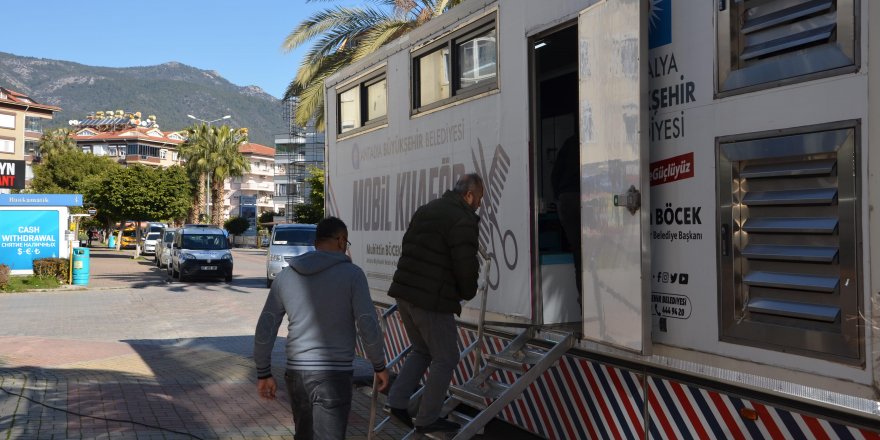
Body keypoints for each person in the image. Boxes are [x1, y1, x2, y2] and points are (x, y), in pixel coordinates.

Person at [253, 216, 389, 440]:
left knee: (303, 435)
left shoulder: (287, 275)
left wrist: (263, 372)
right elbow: (367, 323)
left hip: (297, 374)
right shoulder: (353, 275)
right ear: (342, 240)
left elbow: (266, 326)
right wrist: (379, 365)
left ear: (316, 243)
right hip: (334, 374)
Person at [385, 173, 484, 434]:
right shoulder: (463, 219)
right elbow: (465, 262)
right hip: (431, 300)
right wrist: (468, 290)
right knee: (447, 357)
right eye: (479, 200)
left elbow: (408, 245)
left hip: (405, 293)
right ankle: (427, 418)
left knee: (422, 350)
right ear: (469, 195)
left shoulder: (427, 209)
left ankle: (396, 401)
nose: (478, 206)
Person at [551, 134, 582, 303]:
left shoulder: (569, 142)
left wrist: (559, 198)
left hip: (567, 199)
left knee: (579, 253)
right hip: (585, 196)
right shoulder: (594, 140)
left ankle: (583, 303)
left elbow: (555, 175)